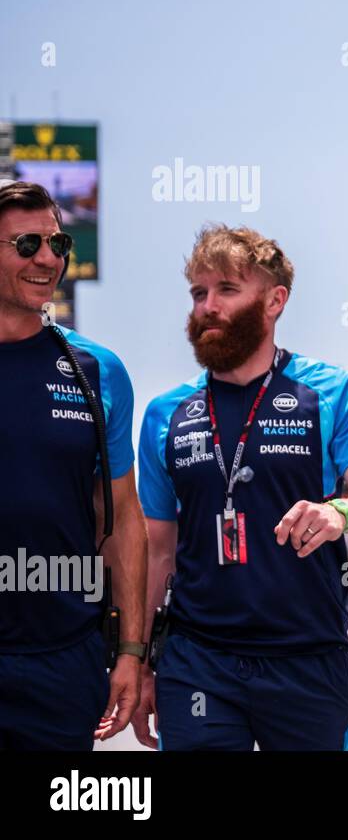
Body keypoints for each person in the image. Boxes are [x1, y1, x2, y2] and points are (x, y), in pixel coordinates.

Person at [132, 224, 348, 750]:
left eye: (227, 290)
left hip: (308, 659)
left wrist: (339, 514)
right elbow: (157, 551)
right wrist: (140, 662)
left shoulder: (331, 392)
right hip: (198, 662)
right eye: (198, 293)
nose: (207, 306)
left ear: (275, 300)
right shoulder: (166, 413)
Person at [0, 180, 147, 749]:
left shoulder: (97, 369)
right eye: (26, 244)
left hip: (62, 661)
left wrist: (132, 651)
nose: (47, 259)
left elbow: (123, 516)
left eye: (57, 245)